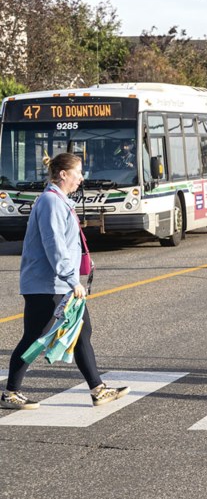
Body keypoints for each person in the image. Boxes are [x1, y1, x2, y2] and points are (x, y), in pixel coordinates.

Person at [2, 153, 128, 410]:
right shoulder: (50, 202)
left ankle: (98, 389)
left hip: (58, 283)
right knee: (34, 337)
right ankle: (10, 392)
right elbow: (54, 244)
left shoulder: (60, 201)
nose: (81, 178)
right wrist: (72, 279)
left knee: (83, 331)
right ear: (62, 174)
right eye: (77, 172)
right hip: (47, 285)